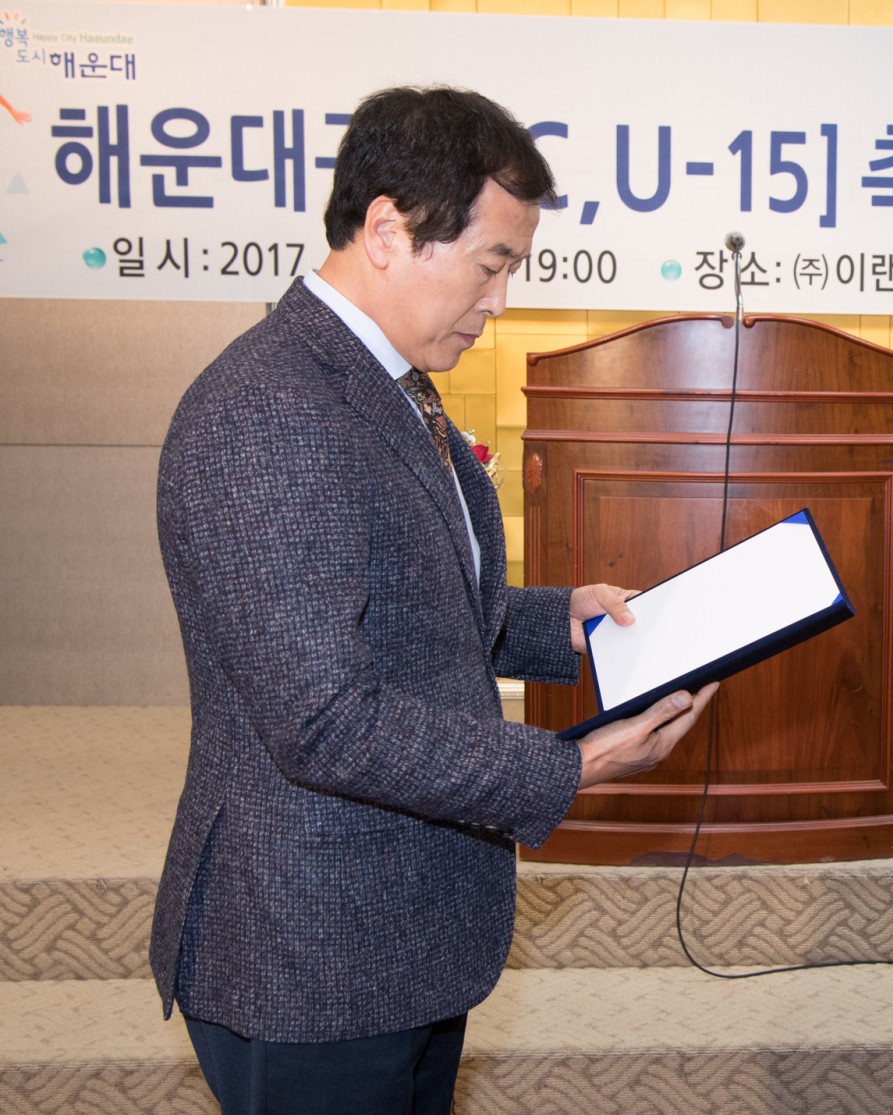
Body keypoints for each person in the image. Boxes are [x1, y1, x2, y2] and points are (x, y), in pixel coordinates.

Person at [151, 85, 717, 1114]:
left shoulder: (386, 383)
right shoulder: (270, 409)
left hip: (404, 931)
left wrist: (564, 620)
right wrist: (572, 764)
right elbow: (323, 720)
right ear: (387, 231)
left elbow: (411, 605)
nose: (501, 301)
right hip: (311, 954)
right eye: (491, 264)